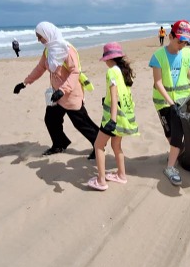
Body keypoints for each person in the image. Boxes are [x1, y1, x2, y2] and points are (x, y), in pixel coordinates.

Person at [13, 22, 99, 159]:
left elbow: (75, 72)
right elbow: (40, 68)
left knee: (81, 123)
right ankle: (60, 144)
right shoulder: (48, 50)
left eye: (40, 37)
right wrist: (25, 83)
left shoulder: (67, 49)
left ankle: (98, 145)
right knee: (51, 119)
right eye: (37, 37)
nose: (38, 40)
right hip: (56, 95)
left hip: (70, 94)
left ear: (48, 34)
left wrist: (63, 90)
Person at [149, 20, 190, 186]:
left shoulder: (186, 53)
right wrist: (171, 104)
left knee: (177, 133)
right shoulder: (158, 56)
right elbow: (158, 83)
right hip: (163, 102)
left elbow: (188, 72)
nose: (182, 45)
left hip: (183, 99)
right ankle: (177, 151)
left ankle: (170, 167)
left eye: (186, 42)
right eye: (179, 42)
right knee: (170, 134)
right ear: (170, 36)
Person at [87, 42, 140, 191]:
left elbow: (114, 94)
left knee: (98, 145)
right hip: (124, 116)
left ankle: (101, 180)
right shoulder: (123, 71)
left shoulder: (111, 72)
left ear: (109, 59)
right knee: (116, 146)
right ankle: (121, 175)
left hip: (113, 118)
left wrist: (112, 120)